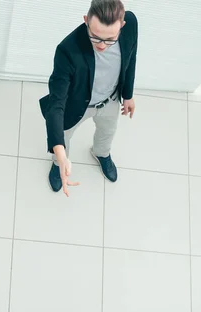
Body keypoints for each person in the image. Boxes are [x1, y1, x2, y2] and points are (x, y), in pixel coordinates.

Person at [39, 0, 138, 195]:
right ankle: (59, 163)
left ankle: (101, 153)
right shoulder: (67, 50)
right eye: (95, 37)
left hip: (110, 99)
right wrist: (58, 152)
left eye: (110, 39)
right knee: (63, 139)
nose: (102, 45)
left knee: (108, 132)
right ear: (86, 21)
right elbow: (57, 103)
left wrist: (128, 95)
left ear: (122, 26)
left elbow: (131, 57)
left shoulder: (131, 24)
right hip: (76, 105)